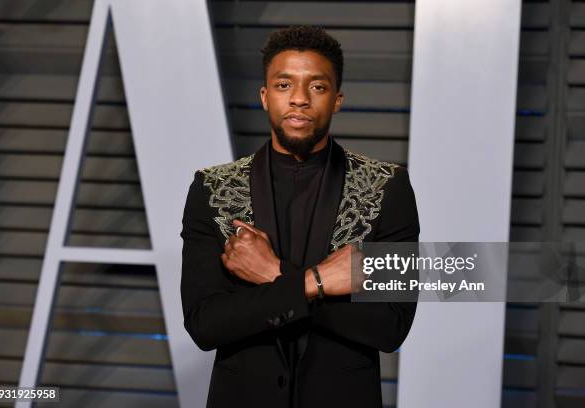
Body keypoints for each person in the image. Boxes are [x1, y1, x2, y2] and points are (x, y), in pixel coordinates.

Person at [180, 25, 419, 408]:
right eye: (284, 85)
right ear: (264, 96)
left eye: (317, 87)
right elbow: (205, 325)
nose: (300, 100)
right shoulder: (213, 189)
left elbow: (391, 326)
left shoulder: (386, 188)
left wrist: (278, 277)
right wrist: (320, 282)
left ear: (337, 99)